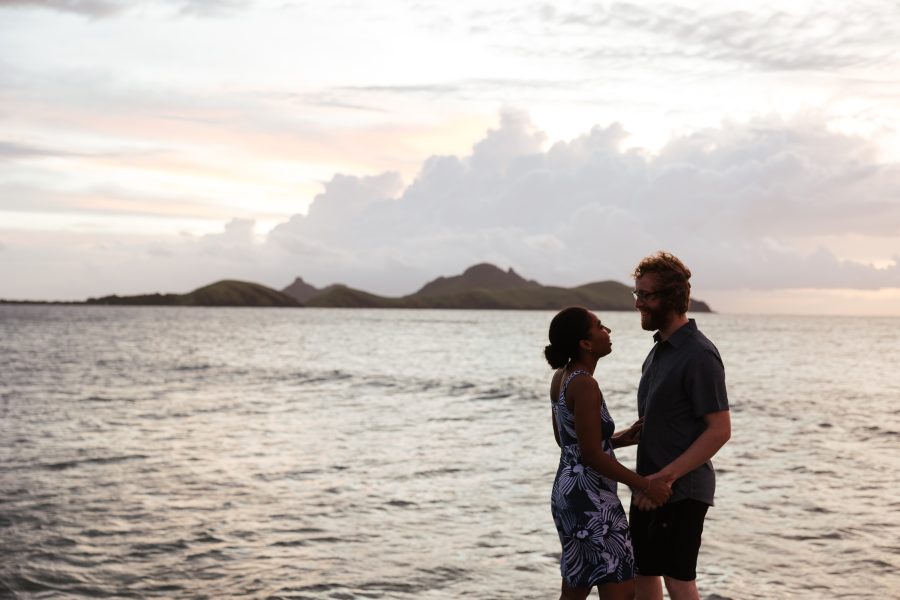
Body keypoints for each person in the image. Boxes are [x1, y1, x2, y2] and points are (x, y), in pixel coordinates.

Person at [546, 306, 672, 600]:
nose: (608, 331)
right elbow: (590, 455)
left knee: (575, 587)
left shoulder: (561, 378)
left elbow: (568, 443)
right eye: (600, 326)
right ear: (585, 344)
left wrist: (618, 439)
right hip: (592, 499)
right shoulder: (585, 384)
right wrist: (646, 485)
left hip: (568, 493)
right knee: (620, 589)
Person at [628, 252, 732, 600]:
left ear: (670, 299)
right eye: (637, 294)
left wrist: (665, 478)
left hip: (680, 489)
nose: (639, 303)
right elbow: (665, 421)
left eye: (646, 295)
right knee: (642, 571)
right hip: (649, 486)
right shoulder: (659, 350)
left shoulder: (699, 354)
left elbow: (719, 430)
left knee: (678, 579)